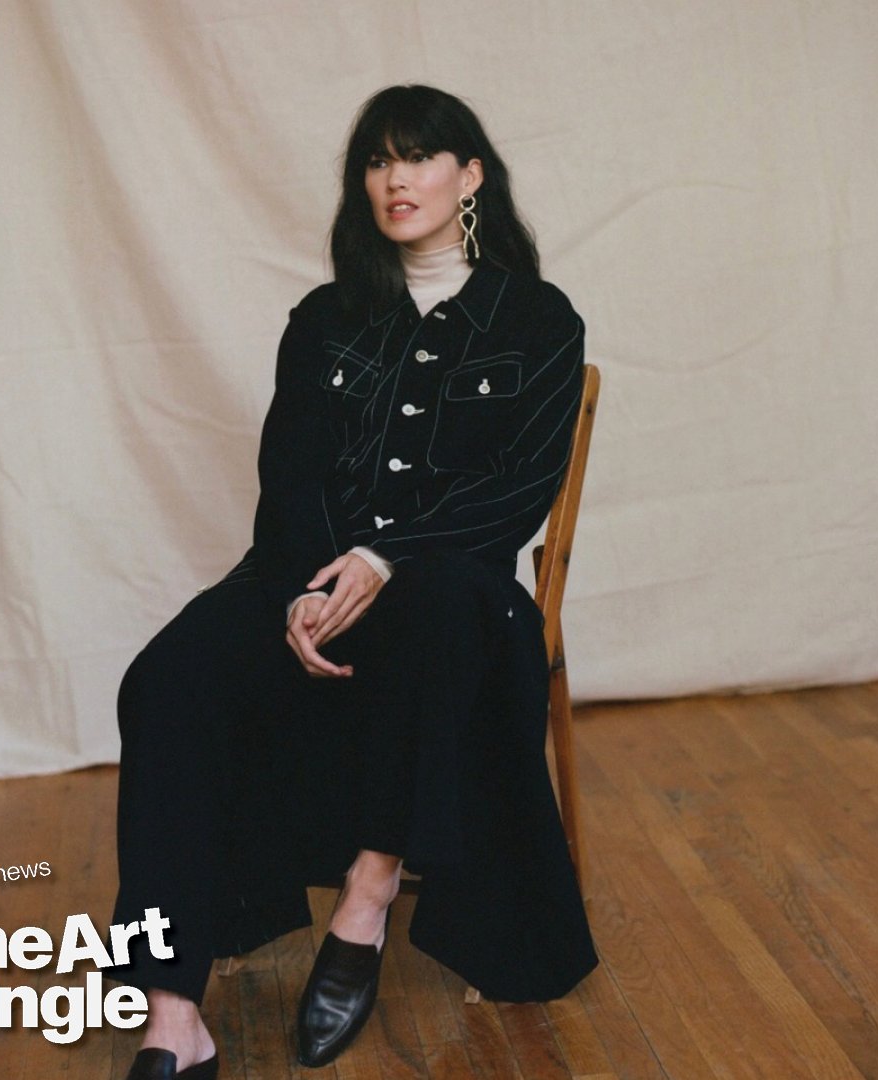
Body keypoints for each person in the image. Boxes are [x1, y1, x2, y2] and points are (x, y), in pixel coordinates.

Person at [112, 84, 599, 1080]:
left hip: (456, 590)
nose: (394, 178)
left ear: (468, 176)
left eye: (416, 157)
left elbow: (519, 493)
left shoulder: (537, 322)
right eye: (376, 161)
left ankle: (366, 900)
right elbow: (288, 476)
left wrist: (384, 559)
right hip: (303, 574)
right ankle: (173, 1010)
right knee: (162, 680)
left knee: (438, 621)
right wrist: (303, 587)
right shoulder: (328, 317)